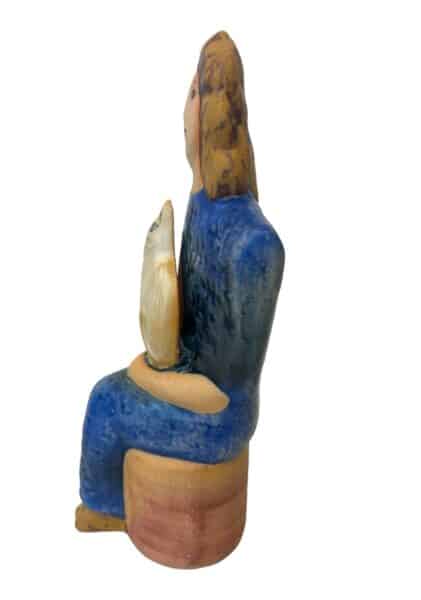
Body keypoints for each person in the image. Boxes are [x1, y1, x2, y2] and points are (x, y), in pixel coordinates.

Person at [77, 32, 284, 530]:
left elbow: (225, 394)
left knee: (107, 401)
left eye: (194, 93)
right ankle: (111, 505)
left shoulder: (252, 245)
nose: (185, 107)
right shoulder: (203, 203)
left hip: (218, 421)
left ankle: (107, 511)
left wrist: (145, 373)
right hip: (189, 376)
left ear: (214, 112)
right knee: (111, 392)